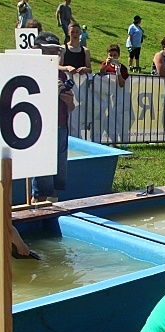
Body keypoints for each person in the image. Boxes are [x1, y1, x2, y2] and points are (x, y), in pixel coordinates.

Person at [31, 32, 75, 203]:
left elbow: (70, 108)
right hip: (41, 132)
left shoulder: (62, 76)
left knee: (57, 183)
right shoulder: (30, 75)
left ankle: (51, 216)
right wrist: (50, 94)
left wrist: (69, 102)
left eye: (56, 52)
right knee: (42, 185)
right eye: (48, 51)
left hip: (61, 129)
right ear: (38, 51)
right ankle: (37, 215)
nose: (53, 56)